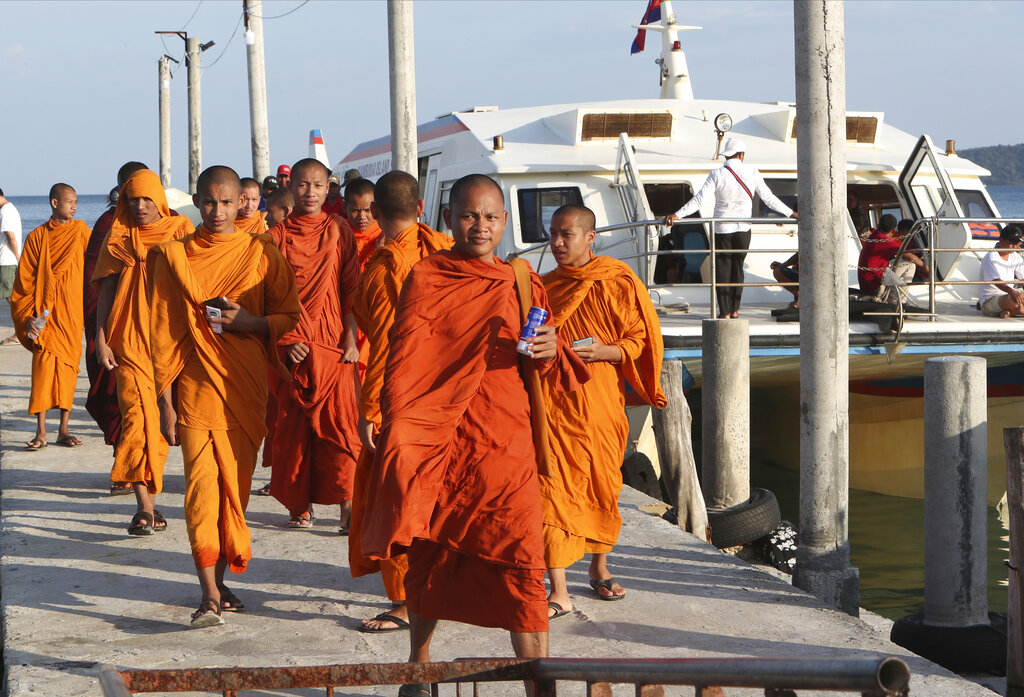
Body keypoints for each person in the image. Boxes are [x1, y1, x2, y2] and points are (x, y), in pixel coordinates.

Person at [361, 174, 589, 686]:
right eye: (468, 215)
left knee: (524, 559)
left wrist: (552, 351)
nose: (479, 226)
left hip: (505, 444)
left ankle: (538, 680)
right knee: (430, 555)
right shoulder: (428, 276)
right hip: (441, 444)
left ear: (504, 222)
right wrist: (396, 427)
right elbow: (407, 362)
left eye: (489, 217)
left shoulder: (522, 280)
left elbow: (549, 360)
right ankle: (418, 672)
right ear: (447, 220)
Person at [148, 165, 300, 627]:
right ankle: (209, 594)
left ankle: (217, 578)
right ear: (196, 200)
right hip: (195, 383)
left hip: (245, 384)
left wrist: (250, 324)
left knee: (234, 489)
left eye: (226, 202)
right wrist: (166, 403)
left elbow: (288, 315)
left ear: (242, 203)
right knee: (201, 491)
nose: (217, 211)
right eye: (209, 202)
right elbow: (163, 333)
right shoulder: (173, 257)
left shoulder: (262, 252)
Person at [539, 204, 666, 618]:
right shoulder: (543, 286)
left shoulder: (616, 282)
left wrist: (603, 351)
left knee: (602, 483)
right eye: (553, 234)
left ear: (591, 237)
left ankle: (599, 565)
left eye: (567, 234)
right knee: (553, 488)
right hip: (554, 404)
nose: (557, 242)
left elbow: (637, 340)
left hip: (600, 404)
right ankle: (558, 587)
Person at [349, 170, 453, 633]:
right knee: (434, 493)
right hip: (449, 393)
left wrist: (369, 407)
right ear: (422, 209)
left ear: (374, 213)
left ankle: (406, 600)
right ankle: (439, 583)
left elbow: (388, 346)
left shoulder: (386, 264)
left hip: (402, 398)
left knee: (395, 496)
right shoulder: (444, 250)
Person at [92, 169, 195, 535]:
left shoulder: (181, 231)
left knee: (165, 425)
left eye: (147, 199)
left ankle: (152, 497)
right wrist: (102, 339)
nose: (140, 206)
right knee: (137, 420)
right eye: (132, 199)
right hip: (129, 342)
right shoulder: (118, 237)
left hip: (171, 340)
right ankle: (144, 507)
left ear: (159, 200)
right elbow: (106, 292)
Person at [263, 158, 362, 530]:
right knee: (293, 429)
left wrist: (351, 338)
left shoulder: (340, 231)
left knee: (341, 427)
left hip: (333, 340)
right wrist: (287, 342)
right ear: (292, 189)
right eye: (303, 185)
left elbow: (351, 290)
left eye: (317, 185)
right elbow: (266, 298)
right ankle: (298, 503)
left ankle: (347, 506)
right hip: (293, 348)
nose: (310, 192)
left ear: (328, 189)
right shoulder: (277, 237)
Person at [662, 138, 796, 318]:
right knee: (737, 269)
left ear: (727, 154)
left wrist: (677, 215)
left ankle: (724, 312)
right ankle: (735, 310)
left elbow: (699, 200)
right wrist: (792, 214)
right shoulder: (752, 171)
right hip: (743, 229)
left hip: (722, 228)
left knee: (723, 270)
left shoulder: (717, 173)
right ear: (742, 154)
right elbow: (769, 199)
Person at [8, 183, 90, 450]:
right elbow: (25, 282)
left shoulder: (81, 232)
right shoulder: (37, 237)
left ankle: (63, 430)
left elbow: (95, 267)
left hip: (70, 313)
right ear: (55, 203)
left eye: (76, 201)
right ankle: (41, 431)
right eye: (69, 201)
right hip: (44, 317)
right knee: (42, 372)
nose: (74, 206)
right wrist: (28, 316)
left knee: (68, 370)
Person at [85, 163, 147, 458]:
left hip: (154, 329)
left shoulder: (171, 223)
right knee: (117, 397)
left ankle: (143, 467)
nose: (139, 200)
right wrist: (100, 334)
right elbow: (93, 284)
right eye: (131, 191)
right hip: (116, 327)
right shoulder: (108, 224)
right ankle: (126, 462)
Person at [856, 213, 928, 304]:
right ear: (893, 231)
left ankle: (893, 296)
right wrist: (925, 267)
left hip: (865, 284)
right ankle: (897, 301)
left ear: (878, 226)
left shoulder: (873, 236)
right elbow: (909, 256)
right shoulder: (884, 240)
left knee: (900, 262)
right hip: (874, 285)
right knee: (911, 265)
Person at [978, 225, 1024, 318]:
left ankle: (1010, 311)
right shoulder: (991, 257)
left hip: (1009, 295)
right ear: (1001, 239)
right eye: (1011, 243)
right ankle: (1013, 310)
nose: (1014, 246)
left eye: (1017, 243)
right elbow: (996, 281)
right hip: (990, 300)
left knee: (1016, 299)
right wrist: (1013, 292)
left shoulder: (1016, 256)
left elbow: (1023, 278)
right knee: (1012, 299)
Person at [341, 177, 382, 271]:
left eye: (367, 210)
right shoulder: (339, 233)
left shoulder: (383, 233)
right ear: (344, 207)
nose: (362, 216)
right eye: (355, 210)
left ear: (375, 208)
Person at [0, 188, 23, 346]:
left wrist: (17, 256)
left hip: (6, 261)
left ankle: (19, 333)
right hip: (8, 260)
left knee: (13, 299)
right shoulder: (10, 209)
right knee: (13, 298)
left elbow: (11, 237)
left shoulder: (5, 211)